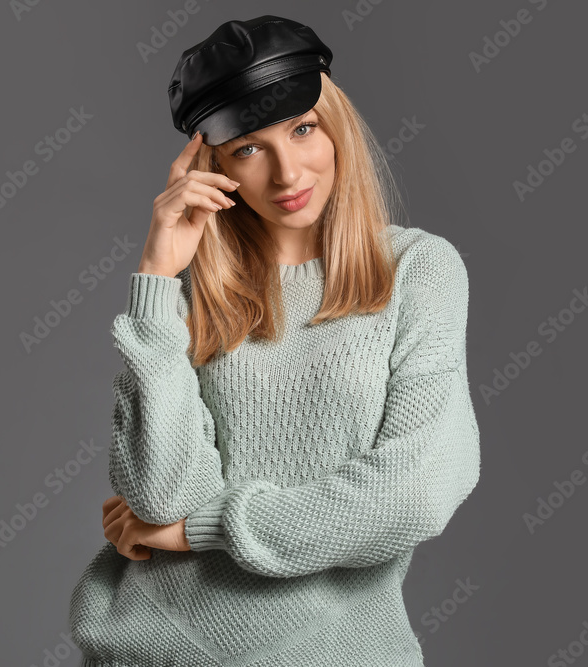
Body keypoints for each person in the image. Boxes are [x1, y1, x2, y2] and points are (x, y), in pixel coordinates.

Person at [68, 15, 481, 667]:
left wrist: (199, 530)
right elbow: (157, 496)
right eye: (249, 148)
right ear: (215, 163)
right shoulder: (192, 292)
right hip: (154, 646)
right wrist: (155, 277)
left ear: (335, 122)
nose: (288, 172)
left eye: (303, 128)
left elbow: (416, 489)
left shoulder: (418, 271)